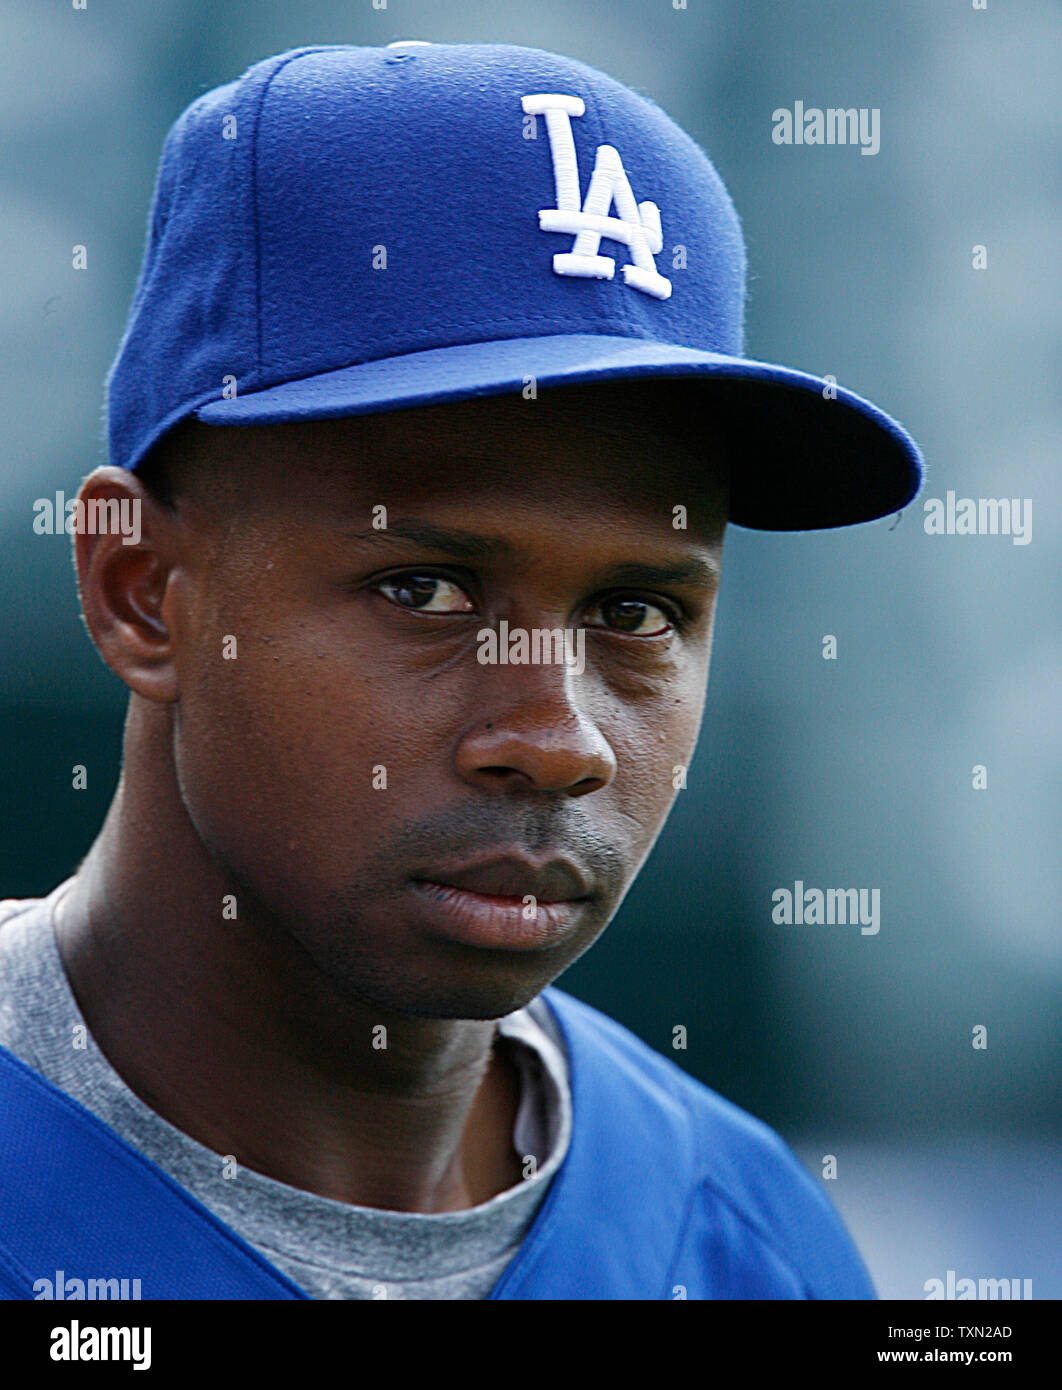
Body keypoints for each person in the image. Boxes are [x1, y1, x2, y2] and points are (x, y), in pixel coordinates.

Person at [0, 41, 922, 1300]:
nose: (558, 736)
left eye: (636, 609)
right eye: (424, 590)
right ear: (142, 594)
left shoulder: (753, 1241)